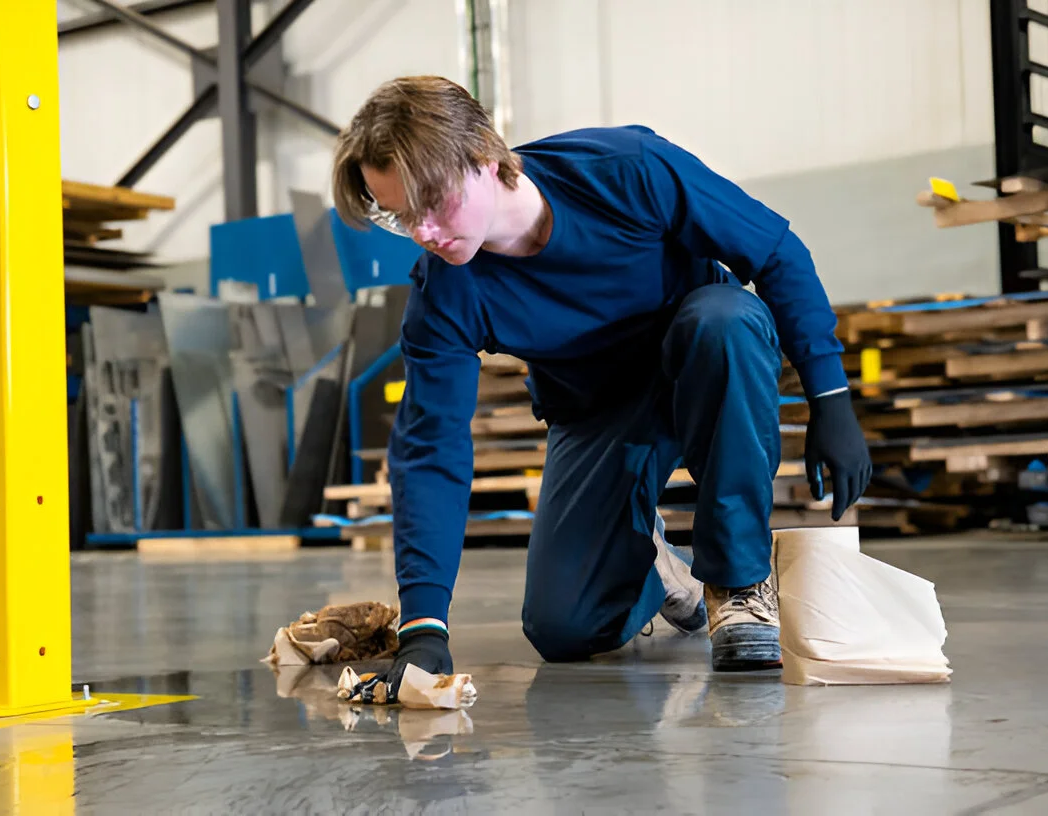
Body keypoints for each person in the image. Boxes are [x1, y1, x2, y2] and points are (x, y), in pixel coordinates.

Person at [331, 76, 871, 694]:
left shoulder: (625, 171)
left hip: (700, 366)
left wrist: (830, 396)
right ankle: (659, 571)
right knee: (564, 628)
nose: (423, 231)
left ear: (484, 157)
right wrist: (426, 626)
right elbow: (431, 448)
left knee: (726, 320)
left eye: (431, 203)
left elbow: (775, 253)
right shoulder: (446, 292)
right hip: (597, 415)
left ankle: (740, 585)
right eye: (403, 218)